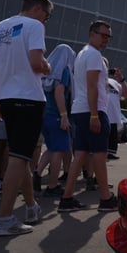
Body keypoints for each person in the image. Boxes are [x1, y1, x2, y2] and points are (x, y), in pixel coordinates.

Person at [0, 0, 53, 236]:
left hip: (5, 98)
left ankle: (32, 206)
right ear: (37, 9)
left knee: (20, 155)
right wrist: (48, 66)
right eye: (47, 15)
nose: (46, 21)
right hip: (28, 98)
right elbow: (37, 63)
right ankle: (5, 219)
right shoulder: (34, 26)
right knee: (18, 157)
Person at [58, 21, 118, 212]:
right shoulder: (93, 54)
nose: (106, 39)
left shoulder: (83, 53)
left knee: (81, 154)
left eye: (109, 36)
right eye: (103, 35)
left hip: (79, 110)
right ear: (92, 34)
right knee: (99, 155)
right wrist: (94, 115)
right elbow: (92, 86)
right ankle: (105, 198)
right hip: (92, 110)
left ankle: (67, 197)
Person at [37, 44, 76, 197]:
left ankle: (37, 173)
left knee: (52, 148)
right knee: (59, 151)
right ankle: (52, 185)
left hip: (44, 115)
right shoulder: (64, 71)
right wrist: (64, 116)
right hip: (57, 115)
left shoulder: (46, 71)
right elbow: (59, 93)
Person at [105, 64, 127, 160]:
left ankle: (110, 153)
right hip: (100, 115)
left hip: (113, 116)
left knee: (112, 139)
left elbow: (126, 94)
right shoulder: (95, 79)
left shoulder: (115, 83)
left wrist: (121, 78)